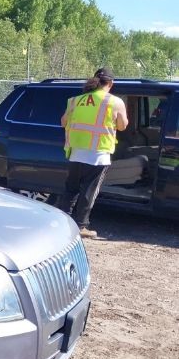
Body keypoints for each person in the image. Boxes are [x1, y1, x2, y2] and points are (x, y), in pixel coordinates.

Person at [56, 67, 128, 238]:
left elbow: (63, 122)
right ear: (110, 83)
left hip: (75, 152)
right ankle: (81, 226)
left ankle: (62, 222)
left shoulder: (75, 100)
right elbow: (122, 126)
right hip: (98, 155)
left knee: (70, 189)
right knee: (89, 191)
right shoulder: (115, 102)